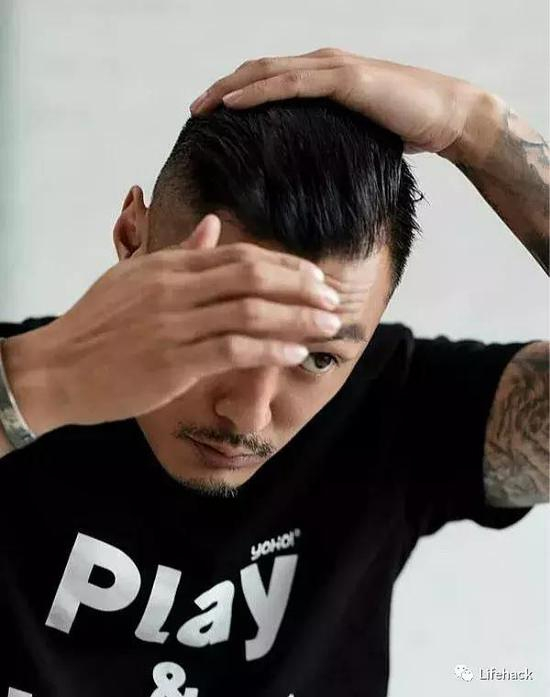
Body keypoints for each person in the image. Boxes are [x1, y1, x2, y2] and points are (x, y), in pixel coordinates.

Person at [0, 48, 547, 697]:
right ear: (130, 238)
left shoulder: (393, 410)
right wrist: (36, 385)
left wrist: (477, 128)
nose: (249, 413)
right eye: (221, 327)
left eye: (318, 357)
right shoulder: (23, 382)